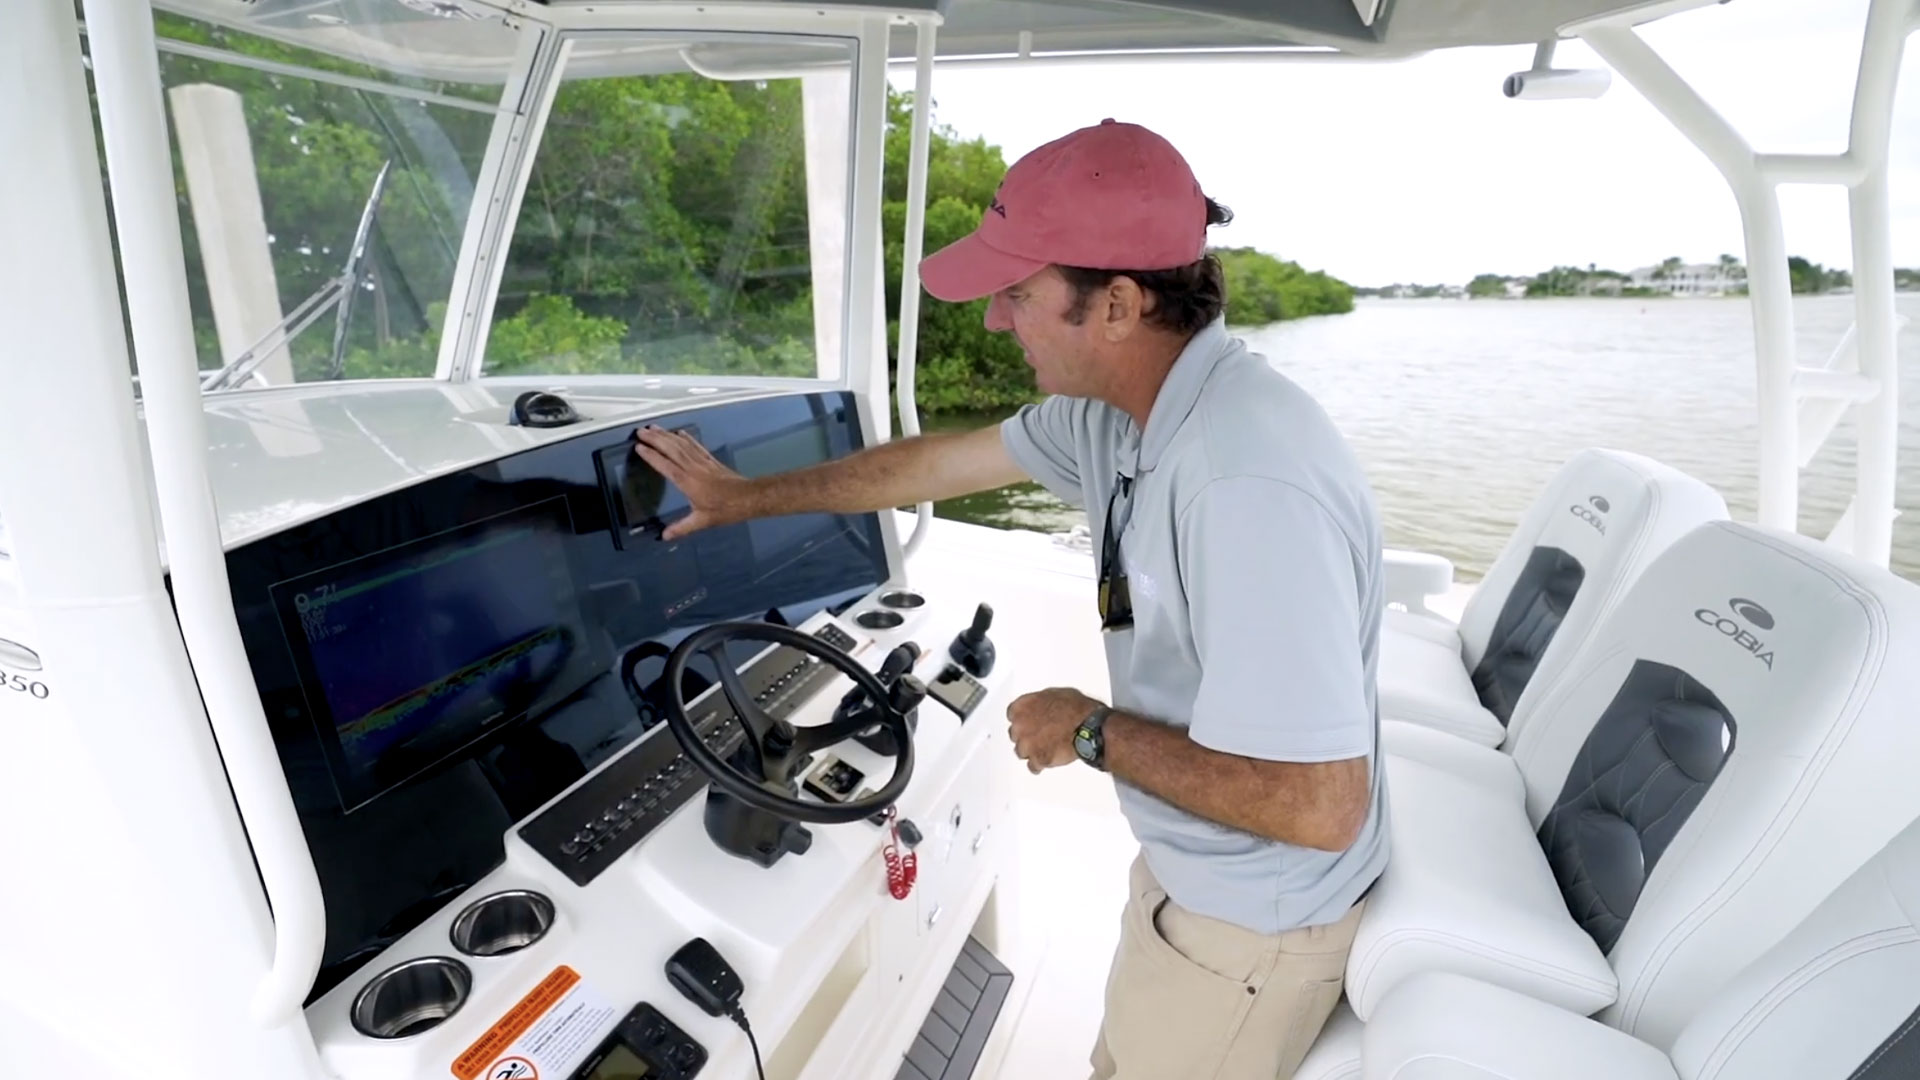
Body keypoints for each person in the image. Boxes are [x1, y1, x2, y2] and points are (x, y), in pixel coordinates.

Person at [633, 118, 1386, 1079]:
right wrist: (743, 499)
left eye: (1018, 294)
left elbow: (1321, 806)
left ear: (1115, 305)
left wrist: (1088, 730)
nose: (995, 318)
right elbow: (928, 463)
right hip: (1200, 882)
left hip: (1253, 929)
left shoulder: (1244, 480)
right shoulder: (1123, 415)